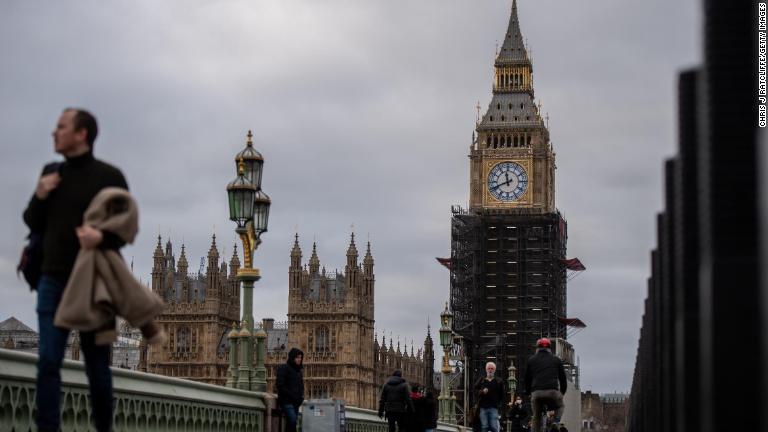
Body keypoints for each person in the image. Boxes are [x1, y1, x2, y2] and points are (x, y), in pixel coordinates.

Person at [24, 108, 129, 432]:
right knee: (48, 362)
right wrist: (40, 196)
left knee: (97, 367)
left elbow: (125, 228)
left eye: (61, 127)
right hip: (52, 281)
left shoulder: (109, 177)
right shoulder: (51, 173)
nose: (54, 133)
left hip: (94, 284)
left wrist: (102, 236)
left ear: (81, 134)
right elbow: (32, 221)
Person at [523, 338, 567, 432]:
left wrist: (528, 391)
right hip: (552, 391)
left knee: (536, 416)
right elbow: (563, 378)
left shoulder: (532, 360)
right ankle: (556, 421)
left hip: (537, 393)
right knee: (560, 406)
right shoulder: (556, 359)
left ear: (537, 348)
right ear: (550, 348)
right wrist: (562, 393)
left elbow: (527, 379)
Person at [276, 347, 304, 432]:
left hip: (296, 402)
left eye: (300, 358)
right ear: (292, 357)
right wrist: (291, 395)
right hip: (286, 401)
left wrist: (301, 397)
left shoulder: (298, 371)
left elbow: (301, 386)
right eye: (297, 357)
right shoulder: (283, 368)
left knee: (292, 422)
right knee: (292, 420)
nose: (299, 359)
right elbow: (280, 385)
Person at [473, 361, 506, 432]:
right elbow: (474, 390)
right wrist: (481, 392)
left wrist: (498, 403)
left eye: (492, 368)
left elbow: (502, 394)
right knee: (484, 426)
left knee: (494, 427)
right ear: (486, 369)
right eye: (489, 368)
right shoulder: (482, 380)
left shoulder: (499, 381)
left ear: (494, 370)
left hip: (493, 407)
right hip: (483, 407)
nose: (490, 370)